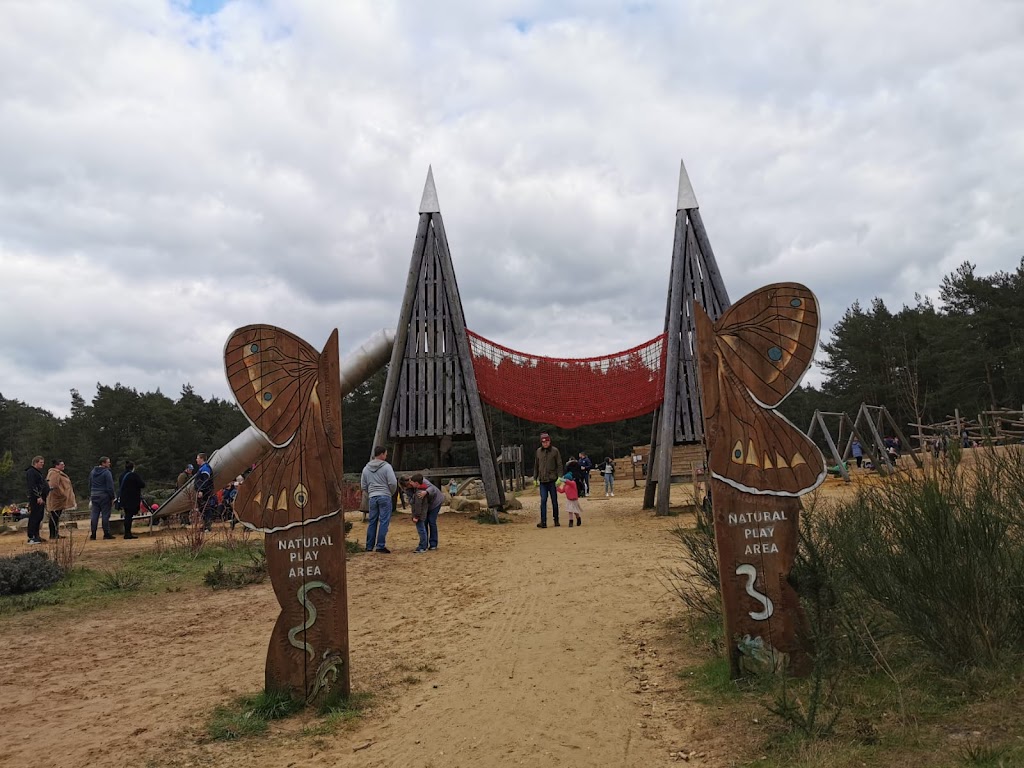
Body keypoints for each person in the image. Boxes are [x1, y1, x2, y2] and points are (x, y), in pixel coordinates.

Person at [361, 446, 398, 553]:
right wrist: (390, 493)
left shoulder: (366, 468)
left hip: (372, 496)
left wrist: (371, 492)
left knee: (372, 521)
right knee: (384, 521)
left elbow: (364, 485)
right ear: (382, 454)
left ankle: (369, 546)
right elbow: (392, 482)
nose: (386, 456)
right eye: (386, 454)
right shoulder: (387, 467)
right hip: (385, 495)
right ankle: (380, 545)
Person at [405, 473, 444, 553]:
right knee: (424, 522)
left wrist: (426, 492)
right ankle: (424, 544)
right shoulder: (411, 489)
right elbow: (413, 502)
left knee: (431, 521)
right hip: (425, 506)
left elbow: (431, 488)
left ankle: (433, 543)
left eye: (411, 483)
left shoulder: (422, 483)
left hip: (435, 503)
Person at [533, 433, 562, 528]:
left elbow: (559, 464)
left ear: (550, 441)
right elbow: (536, 466)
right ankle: (543, 521)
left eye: (547, 441)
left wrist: (559, 477)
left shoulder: (555, 451)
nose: (545, 443)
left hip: (552, 480)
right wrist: (535, 478)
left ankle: (556, 519)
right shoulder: (538, 451)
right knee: (543, 500)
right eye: (543, 442)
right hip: (542, 480)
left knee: (554, 500)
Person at [45, 459, 76, 540]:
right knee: (54, 516)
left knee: (56, 517)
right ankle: (53, 534)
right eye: (62, 465)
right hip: (56, 499)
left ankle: (55, 533)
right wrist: (62, 494)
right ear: (57, 466)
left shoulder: (57, 473)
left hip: (58, 499)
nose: (63, 466)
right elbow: (53, 486)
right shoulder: (54, 474)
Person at [117, 461, 146, 540]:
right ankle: (127, 533)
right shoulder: (134, 475)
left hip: (124, 498)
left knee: (127, 515)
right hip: (132, 499)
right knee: (129, 516)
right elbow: (142, 484)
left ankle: (127, 532)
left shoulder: (121, 476)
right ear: (133, 467)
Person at [89, 456, 116, 540]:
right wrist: (112, 497)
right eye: (108, 462)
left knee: (94, 515)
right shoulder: (106, 472)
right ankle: (106, 533)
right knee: (105, 515)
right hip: (104, 496)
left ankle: (93, 534)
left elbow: (90, 484)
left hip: (94, 495)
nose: (109, 463)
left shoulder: (92, 472)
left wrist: (91, 493)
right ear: (103, 463)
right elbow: (110, 486)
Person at [25, 455, 47, 544]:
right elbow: (32, 485)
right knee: (34, 516)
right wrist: (38, 496)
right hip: (35, 498)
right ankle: (31, 537)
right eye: (41, 462)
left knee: (39, 517)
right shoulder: (31, 472)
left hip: (41, 498)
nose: (42, 464)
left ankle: (37, 535)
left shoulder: (38, 472)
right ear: (35, 463)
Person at [194, 453, 216, 531]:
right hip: (202, 491)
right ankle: (205, 525)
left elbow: (205, 480)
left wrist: (201, 490)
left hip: (205, 491)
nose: (196, 460)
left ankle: (208, 527)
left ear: (202, 459)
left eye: (197, 458)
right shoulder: (202, 468)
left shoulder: (205, 468)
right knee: (202, 509)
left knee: (206, 508)